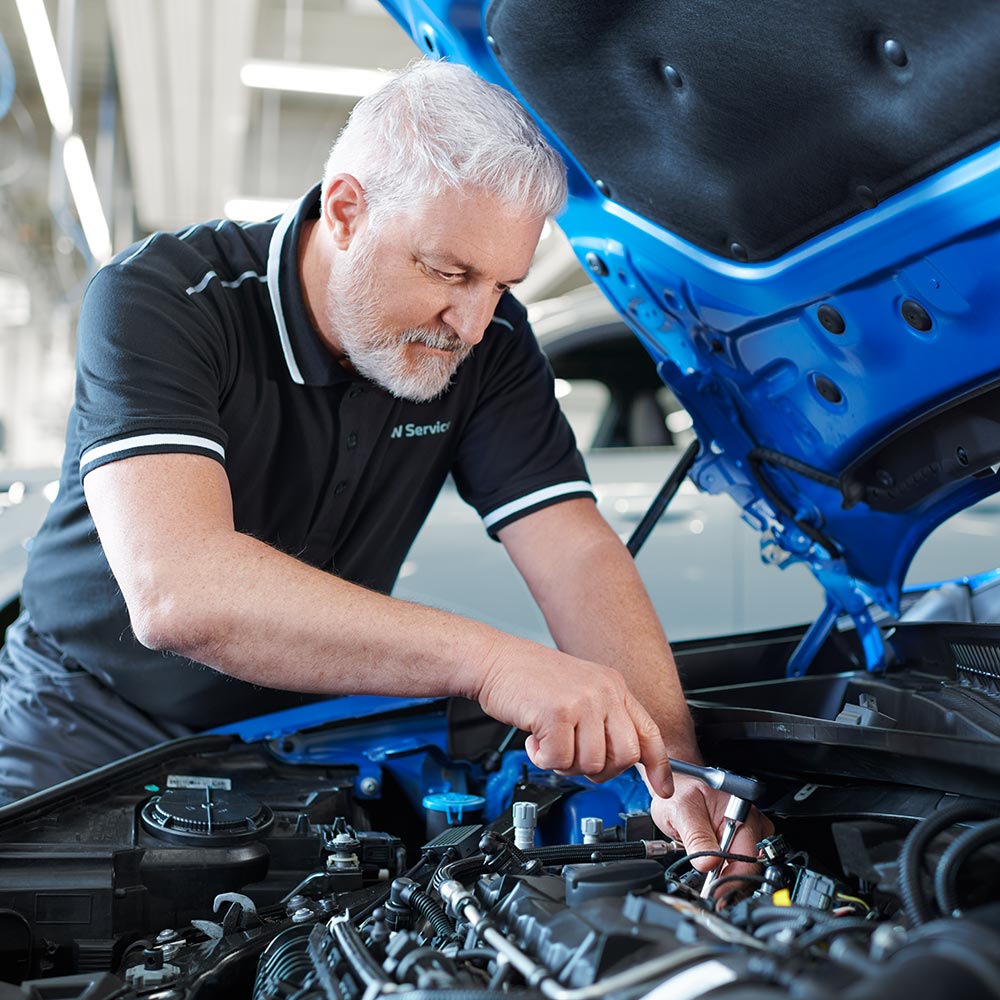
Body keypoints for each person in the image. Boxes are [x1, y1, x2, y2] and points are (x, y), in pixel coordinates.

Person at [0, 59, 769, 866]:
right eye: (448, 271)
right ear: (345, 210)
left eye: (501, 285)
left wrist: (677, 771)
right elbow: (178, 592)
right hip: (84, 731)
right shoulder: (165, 300)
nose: (471, 322)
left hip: (297, 741)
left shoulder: (491, 348)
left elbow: (575, 551)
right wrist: (491, 660)